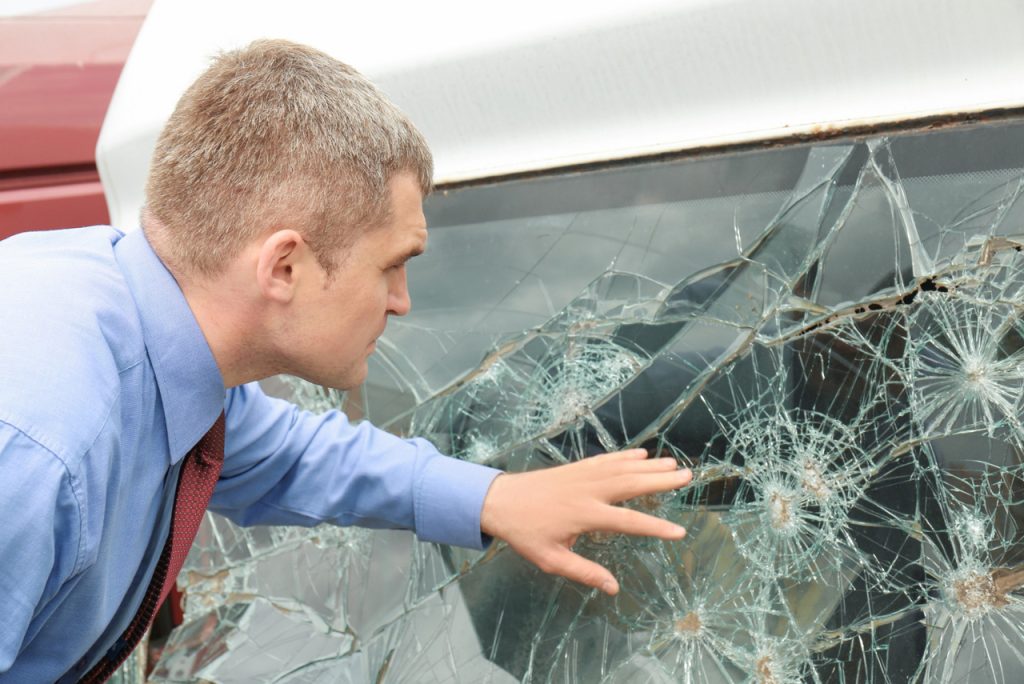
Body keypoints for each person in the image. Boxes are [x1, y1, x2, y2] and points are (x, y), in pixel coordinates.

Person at [0, 39, 692, 681]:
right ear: (286, 267)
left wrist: (493, 496)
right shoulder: (39, 447)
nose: (403, 302)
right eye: (392, 266)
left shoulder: (150, 327)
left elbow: (290, 456)